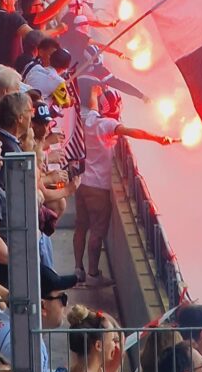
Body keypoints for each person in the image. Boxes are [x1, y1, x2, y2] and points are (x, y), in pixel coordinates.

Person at [74, 87, 174, 284]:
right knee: (97, 231)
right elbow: (133, 132)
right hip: (98, 187)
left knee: (80, 227)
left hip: (82, 183)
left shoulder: (90, 119)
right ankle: (93, 275)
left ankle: (78, 269)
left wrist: (94, 91)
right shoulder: (109, 125)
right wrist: (158, 138)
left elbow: (94, 104)